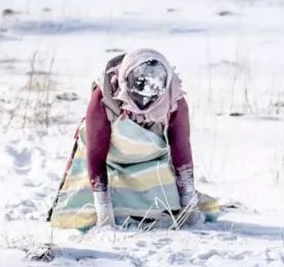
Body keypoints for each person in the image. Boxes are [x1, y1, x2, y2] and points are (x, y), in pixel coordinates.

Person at [49, 48, 218, 230]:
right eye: (139, 91)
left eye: (152, 93)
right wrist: (104, 212)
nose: (144, 101)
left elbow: (181, 151)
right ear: (124, 81)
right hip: (108, 161)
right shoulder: (105, 97)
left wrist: (189, 205)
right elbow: (96, 157)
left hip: (149, 161)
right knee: (80, 213)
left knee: (167, 207)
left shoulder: (173, 100)